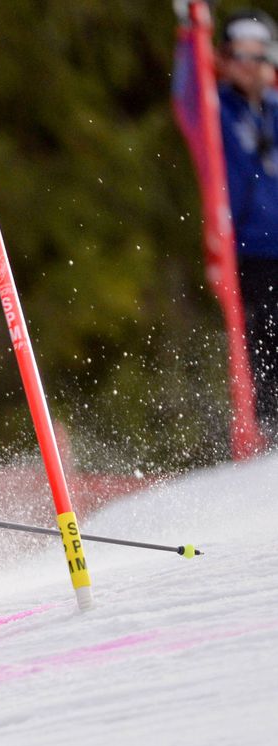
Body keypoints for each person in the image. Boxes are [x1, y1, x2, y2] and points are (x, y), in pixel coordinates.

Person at [216, 9, 278, 441]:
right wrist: (189, 33)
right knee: (266, 339)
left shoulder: (274, 109)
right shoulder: (214, 105)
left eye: (258, 56)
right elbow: (185, 94)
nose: (248, 65)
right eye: (238, 55)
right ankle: (268, 427)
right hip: (250, 250)